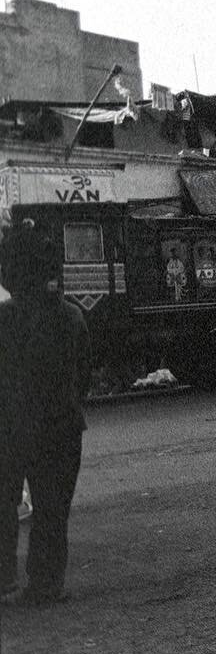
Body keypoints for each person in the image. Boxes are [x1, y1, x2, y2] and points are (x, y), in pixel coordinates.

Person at [0, 222, 90, 606]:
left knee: (4, 504)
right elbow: (83, 376)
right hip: (61, 426)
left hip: (11, 426)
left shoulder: (5, 318)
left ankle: (4, 578)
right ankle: (46, 584)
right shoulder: (71, 316)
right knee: (52, 510)